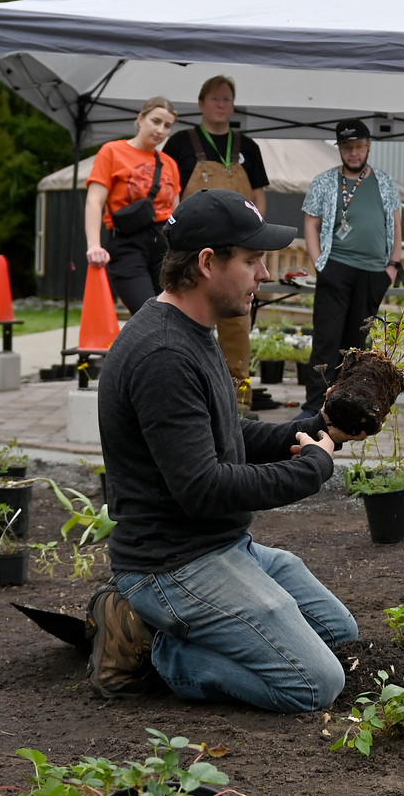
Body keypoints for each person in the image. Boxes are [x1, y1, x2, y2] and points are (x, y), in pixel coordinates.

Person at [85, 188, 360, 710]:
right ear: (208, 263)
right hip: (172, 566)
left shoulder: (195, 328)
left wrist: (317, 425)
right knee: (315, 683)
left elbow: (228, 434)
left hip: (225, 548)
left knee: (339, 634)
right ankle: (159, 650)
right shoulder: (162, 354)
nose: (264, 273)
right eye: (253, 260)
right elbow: (204, 488)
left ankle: (195, 629)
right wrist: (311, 470)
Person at [165, 76, 272, 382]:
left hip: (238, 249)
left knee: (237, 319)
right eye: (215, 99)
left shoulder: (248, 147)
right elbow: (168, 193)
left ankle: (238, 398)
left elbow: (259, 198)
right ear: (201, 103)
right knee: (186, 315)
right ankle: (180, 381)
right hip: (192, 251)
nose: (221, 105)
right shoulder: (180, 143)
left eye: (227, 99)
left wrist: (253, 237)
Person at [300, 118, 402, 415]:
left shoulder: (385, 182)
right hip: (336, 266)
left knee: (357, 344)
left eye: (358, 147)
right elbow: (311, 222)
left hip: (374, 272)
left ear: (368, 146)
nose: (353, 153)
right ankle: (314, 406)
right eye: (347, 148)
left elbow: (395, 224)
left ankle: (348, 405)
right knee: (326, 339)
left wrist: (393, 265)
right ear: (340, 149)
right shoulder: (324, 180)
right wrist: (320, 262)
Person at [85, 97, 183, 314]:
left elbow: (176, 213)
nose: (160, 130)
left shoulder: (170, 164)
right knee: (148, 314)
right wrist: (94, 245)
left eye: (167, 126)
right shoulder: (112, 151)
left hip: (164, 245)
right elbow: (94, 200)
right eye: (155, 121)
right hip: (128, 242)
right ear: (141, 119)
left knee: (174, 315)